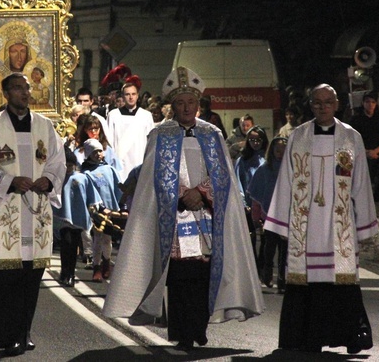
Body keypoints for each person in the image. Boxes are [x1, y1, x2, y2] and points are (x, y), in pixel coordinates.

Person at [103, 66, 263, 352]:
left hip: (205, 216)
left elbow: (223, 175)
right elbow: (152, 178)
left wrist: (201, 193)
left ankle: (198, 326)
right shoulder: (159, 135)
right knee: (178, 278)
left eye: (191, 102)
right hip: (175, 216)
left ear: (197, 105)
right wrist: (181, 194)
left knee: (202, 276)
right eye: (180, 103)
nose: (186, 107)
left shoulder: (212, 134)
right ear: (172, 106)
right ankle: (183, 332)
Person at [264, 83, 378, 354]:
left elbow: (361, 183)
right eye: (317, 103)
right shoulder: (299, 136)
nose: (322, 107)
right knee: (306, 281)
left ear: (336, 104)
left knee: (341, 279)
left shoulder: (352, 138)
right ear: (311, 105)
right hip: (306, 223)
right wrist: (280, 222)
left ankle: (349, 335)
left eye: (328, 102)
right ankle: (305, 338)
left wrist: (364, 226)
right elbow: (287, 181)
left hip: (340, 223)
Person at [0, 72, 66, 357]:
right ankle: (0, 334)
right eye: (17, 88)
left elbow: (57, 161)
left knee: (31, 278)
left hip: (37, 212)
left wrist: (48, 180)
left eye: (26, 88)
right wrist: (11, 181)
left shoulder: (45, 127)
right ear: (5, 93)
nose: (24, 93)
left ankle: (23, 332)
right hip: (8, 212)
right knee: (5, 280)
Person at [247, 136, 288, 292]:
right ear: (272, 151)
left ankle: (282, 281)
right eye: (277, 150)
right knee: (269, 249)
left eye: (284, 151)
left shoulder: (292, 170)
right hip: (268, 217)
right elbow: (257, 197)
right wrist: (256, 217)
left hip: (286, 217)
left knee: (284, 251)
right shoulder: (264, 169)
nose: (280, 154)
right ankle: (267, 275)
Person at [80, 138, 124, 283]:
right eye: (94, 152)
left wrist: (122, 204)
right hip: (97, 210)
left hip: (111, 209)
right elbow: (88, 191)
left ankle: (107, 262)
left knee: (107, 238)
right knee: (97, 238)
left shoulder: (109, 169)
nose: (98, 154)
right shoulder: (86, 172)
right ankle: (96, 267)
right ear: (88, 154)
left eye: (100, 151)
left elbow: (119, 188)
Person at [53, 147, 97, 287]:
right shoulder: (57, 179)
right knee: (66, 245)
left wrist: (94, 207)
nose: (68, 167)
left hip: (78, 217)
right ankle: (65, 271)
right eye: (66, 165)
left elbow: (91, 195)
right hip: (63, 217)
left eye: (70, 165)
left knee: (73, 247)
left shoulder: (82, 177)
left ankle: (70, 274)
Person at [348, 90, 379, 216]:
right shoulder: (356, 120)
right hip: (362, 155)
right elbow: (351, 139)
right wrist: (366, 151)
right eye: (367, 102)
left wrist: (375, 151)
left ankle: (374, 201)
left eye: (373, 102)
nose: (370, 105)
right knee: (362, 184)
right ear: (363, 103)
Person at [0, 22, 40, 110]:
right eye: (14, 51)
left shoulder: (35, 78)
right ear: (7, 54)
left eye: (23, 51)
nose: (19, 57)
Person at [106, 81, 154, 180]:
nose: (131, 97)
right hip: (119, 163)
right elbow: (108, 141)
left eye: (133, 94)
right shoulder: (113, 115)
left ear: (137, 96)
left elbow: (151, 142)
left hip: (139, 161)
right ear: (122, 96)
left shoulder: (146, 116)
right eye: (127, 94)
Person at [234, 125, 269, 259]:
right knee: (250, 238)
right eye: (252, 140)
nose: (255, 143)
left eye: (258, 140)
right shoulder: (242, 161)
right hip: (248, 206)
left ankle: (263, 265)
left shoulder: (266, 160)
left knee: (266, 239)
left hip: (264, 206)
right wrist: (243, 204)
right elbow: (238, 183)